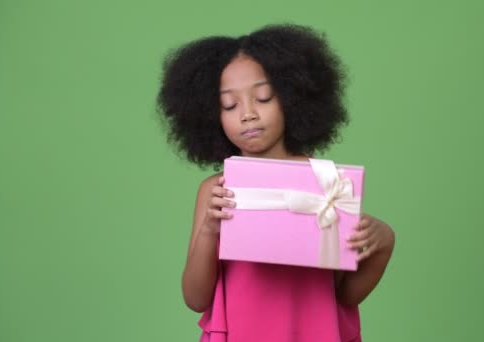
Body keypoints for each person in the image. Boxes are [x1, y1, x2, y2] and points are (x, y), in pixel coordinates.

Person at [157, 23, 396, 342]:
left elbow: (343, 296)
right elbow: (196, 298)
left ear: (292, 98)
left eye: (264, 98)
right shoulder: (217, 190)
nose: (248, 114)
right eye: (230, 105)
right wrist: (210, 230)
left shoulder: (326, 183)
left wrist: (383, 245)